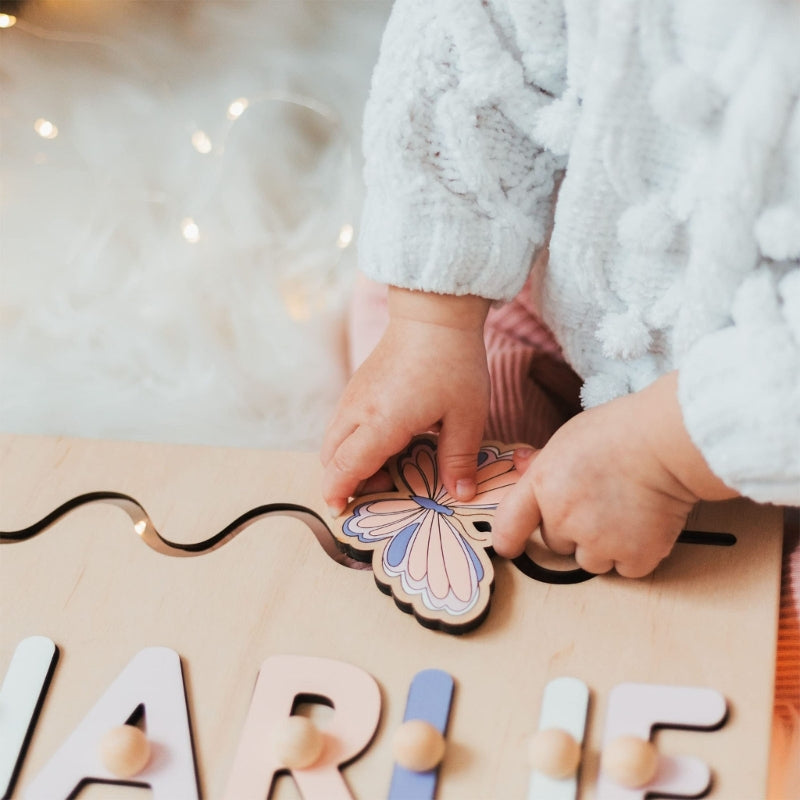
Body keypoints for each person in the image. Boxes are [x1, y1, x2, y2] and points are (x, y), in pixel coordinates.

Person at [321, 0, 799, 772]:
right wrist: (435, 321)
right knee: (405, 302)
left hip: (770, 390)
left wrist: (663, 450)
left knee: (772, 654)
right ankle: (528, 499)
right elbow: (473, 36)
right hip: (603, 280)